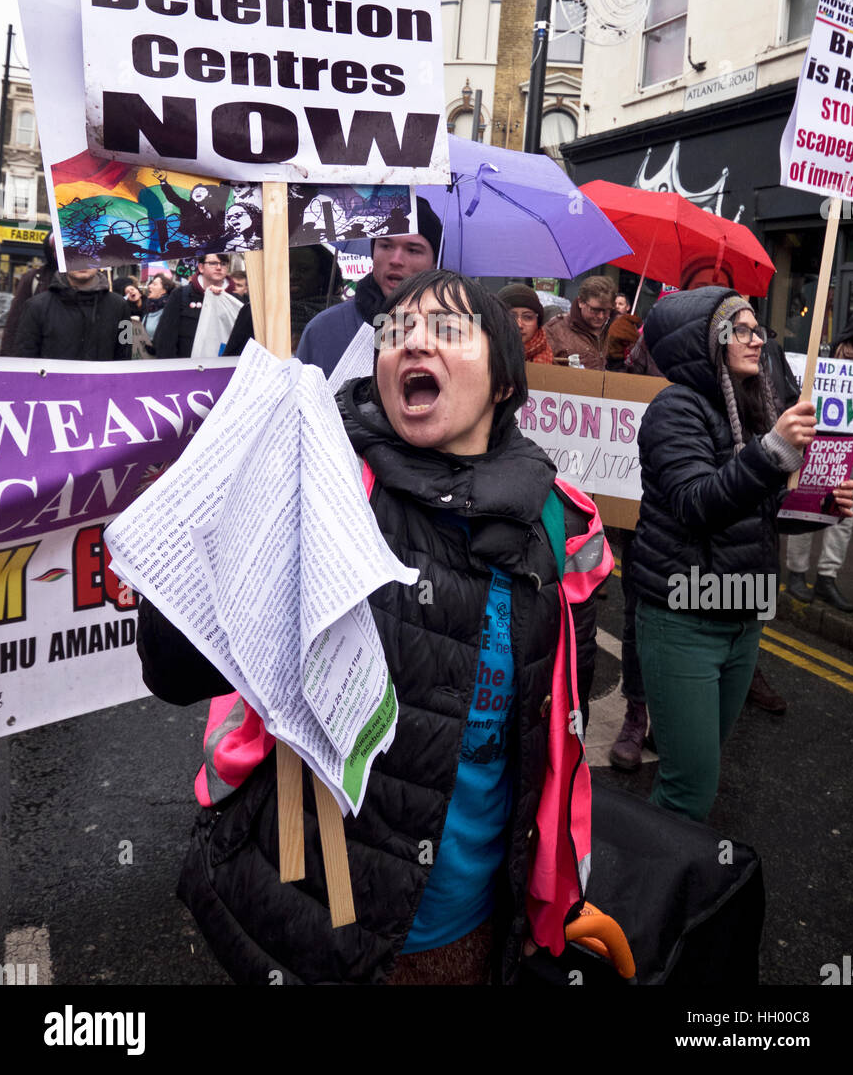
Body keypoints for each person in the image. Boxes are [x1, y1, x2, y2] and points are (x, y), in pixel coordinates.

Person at [137, 269, 610, 984]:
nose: (412, 342)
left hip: (476, 933)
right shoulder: (323, 484)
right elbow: (174, 671)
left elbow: (559, 720)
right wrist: (221, 502)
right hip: (305, 925)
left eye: (448, 329)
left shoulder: (560, 523)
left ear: (505, 382)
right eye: (395, 332)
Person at [628, 286, 853, 820]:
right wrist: (774, 450)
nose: (757, 340)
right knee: (688, 792)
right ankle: (650, 893)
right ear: (708, 341)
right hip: (682, 620)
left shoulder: (754, 407)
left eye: (759, 330)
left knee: (700, 770)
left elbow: (761, 515)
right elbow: (695, 505)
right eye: (743, 330)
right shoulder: (674, 408)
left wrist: (820, 504)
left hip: (742, 618)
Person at [296, 198, 443, 378]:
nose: (396, 260)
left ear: (435, 261)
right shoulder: (324, 330)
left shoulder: (455, 331)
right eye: (386, 245)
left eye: (413, 250)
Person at [785, 308, 853, 613]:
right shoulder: (824, 364)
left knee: (842, 516)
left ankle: (827, 577)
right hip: (817, 447)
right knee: (804, 507)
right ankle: (796, 573)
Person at [10, 266, 133, 361]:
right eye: (75, 254)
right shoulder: (35, 306)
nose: (82, 261)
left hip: (103, 390)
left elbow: (125, 354)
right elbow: (24, 355)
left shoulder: (120, 306)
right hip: (51, 391)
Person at [153, 254, 235, 359]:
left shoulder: (235, 299)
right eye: (213, 263)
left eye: (223, 264)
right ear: (201, 267)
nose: (219, 267)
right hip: (186, 368)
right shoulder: (180, 294)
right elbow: (165, 340)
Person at [0, 232, 58, 356]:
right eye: (55, 248)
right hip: (38, 361)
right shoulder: (33, 279)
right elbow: (14, 324)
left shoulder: (87, 279)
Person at [545, 275, 616, 369]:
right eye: (595, 310)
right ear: (581, 302)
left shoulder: (614, 327)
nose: (601, 316)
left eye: (607, 310)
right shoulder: (554, 330)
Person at [497, 283, 554, 364]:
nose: (519, 325)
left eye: (528, 317)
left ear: (537, 323)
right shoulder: (480, 353)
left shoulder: (552, 365)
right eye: (511, 317)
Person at [142, 273, 176, 349]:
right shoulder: (148, 306)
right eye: (150, 284)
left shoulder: (169, 311)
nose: (149, 286)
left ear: (164, 290)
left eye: (154, 284)